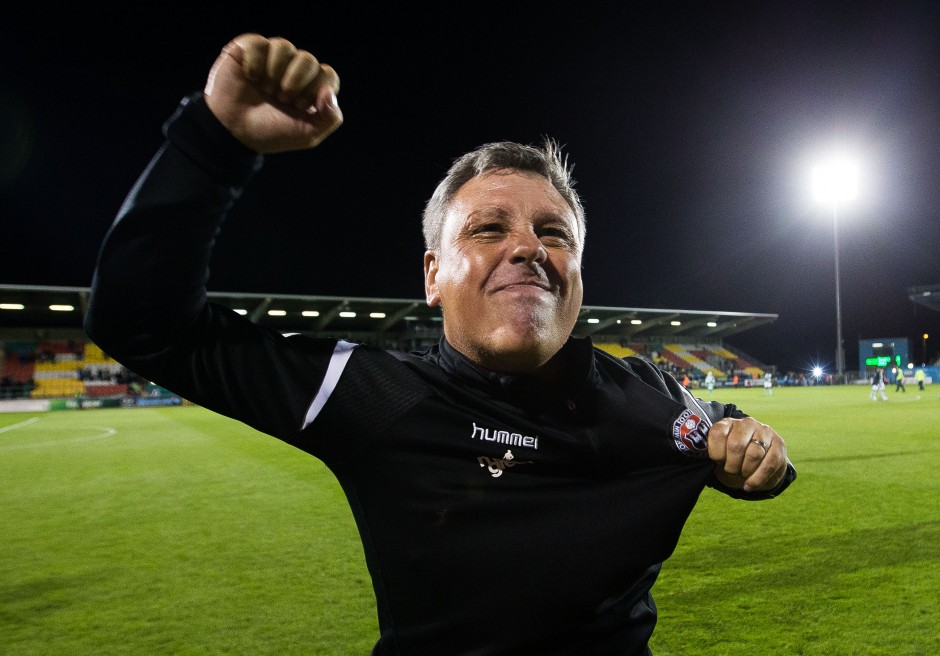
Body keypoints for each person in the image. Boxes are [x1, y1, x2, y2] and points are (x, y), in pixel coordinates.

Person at [84, 33, 796, 656]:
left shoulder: (650, 399)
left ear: (577, 273)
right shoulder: (373, 396)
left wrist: (753, 453)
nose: (527, 247)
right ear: (432, 275)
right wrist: (216, 140)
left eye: (554, 233)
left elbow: (730, 437)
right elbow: (141, 322)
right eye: (488, 229)